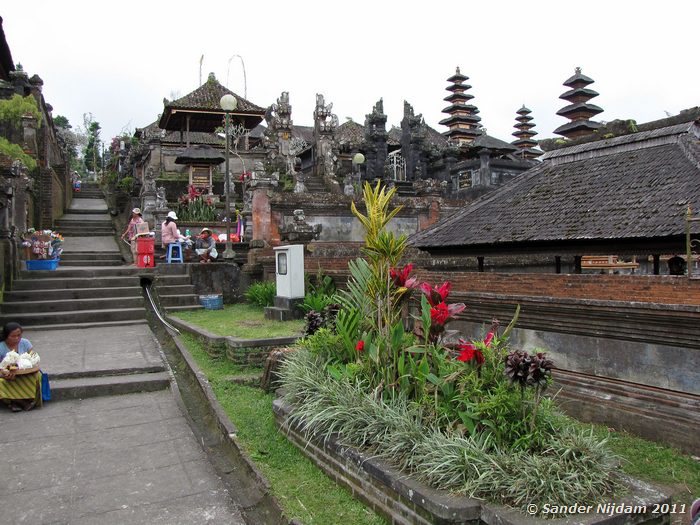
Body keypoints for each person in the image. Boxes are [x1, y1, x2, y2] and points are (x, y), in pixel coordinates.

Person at [0, 322, 42, 412]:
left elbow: (33, 358)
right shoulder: (1, 347)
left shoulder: (25, 343)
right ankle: (20, 402)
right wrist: (4, 374)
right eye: (13, 336)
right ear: (6, 336)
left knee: (37, 376)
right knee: (2, 382)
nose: (17, 338)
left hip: (25, 372)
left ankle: (15, 403)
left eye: (19, 335)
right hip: (6, 374)